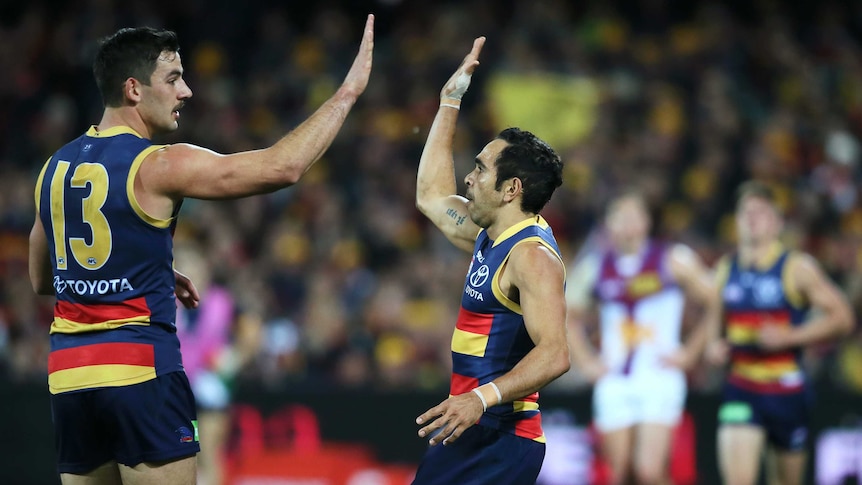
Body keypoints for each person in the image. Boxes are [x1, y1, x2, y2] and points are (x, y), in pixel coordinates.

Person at [28, 16, 374, 485]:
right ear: (133, 89)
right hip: (140, 373)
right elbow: (283, 168)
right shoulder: (159, 164)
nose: (186, 91)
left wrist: (140, 268)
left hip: (69, 376)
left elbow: (43, 279)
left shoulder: (55, 167)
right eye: (173, 79)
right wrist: (348, 93)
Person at [411, 37, 571, 485]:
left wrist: (480, 399)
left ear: (510, 189)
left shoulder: (531, 258)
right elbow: (431, 196)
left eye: (481, 168)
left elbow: (556, 354)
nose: (470, 175)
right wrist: (450, 100)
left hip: (500, 437)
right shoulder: (491, 233)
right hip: (471, 429)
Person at [705, 181, 854, 485]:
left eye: (761, 212)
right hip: (741, 386)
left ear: (777, 222)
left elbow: (843, 318)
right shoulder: (725, 269)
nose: (752, 218)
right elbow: (714, 320)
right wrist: (712, 346)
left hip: (787, 391)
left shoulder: (796, 267)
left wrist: (790, 337)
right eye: (746, 212)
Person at [565, 191, 717, 485]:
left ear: (647, 221)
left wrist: (691, 352)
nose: (626, 223)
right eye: (619, 216)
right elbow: (568, 314)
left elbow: (714, 300)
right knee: (618, 473)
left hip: (659, 375)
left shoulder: (673, 259)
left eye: (633, 215)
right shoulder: (595, 267)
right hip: (615, 378)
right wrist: (586, 362)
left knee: (649, 471)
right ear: (608, 224)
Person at [173, 244, 262, 485]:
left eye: (194, 268)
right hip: (176, 388)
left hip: (209, 387)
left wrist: (234, 359)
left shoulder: (222, 302)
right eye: (184, 268)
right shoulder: (167, 300)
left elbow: (252, 331)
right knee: (181, 452)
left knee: (209, 449)